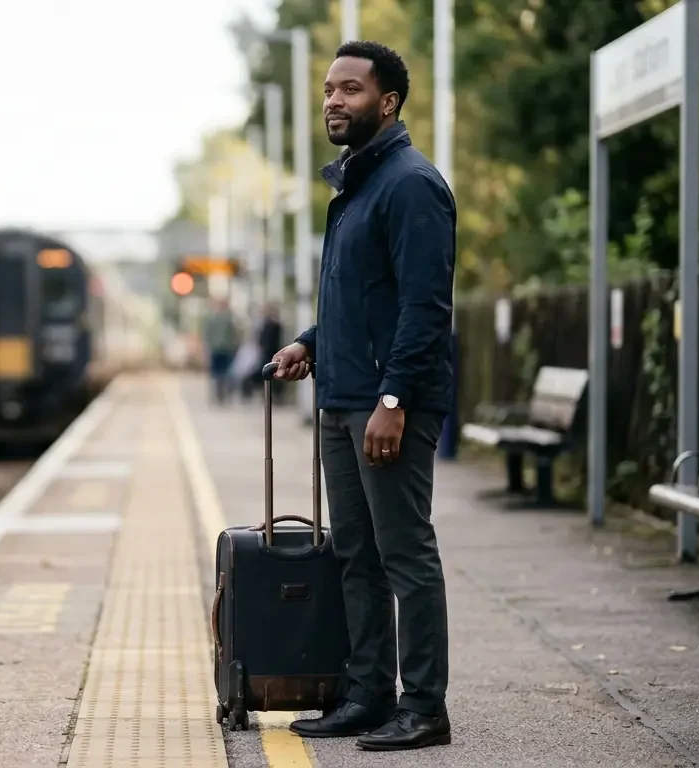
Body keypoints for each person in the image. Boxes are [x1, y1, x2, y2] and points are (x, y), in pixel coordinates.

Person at [270, 40, 455, 751]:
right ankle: (368, 692)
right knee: (357, 552)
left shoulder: (410, 183)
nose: (332, 101)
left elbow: (423, 305)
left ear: (388, 102)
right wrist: (311, 343)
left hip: (385, 403)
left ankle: (426, 706)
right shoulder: (355, 187)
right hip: (344, 394)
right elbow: (358, 295)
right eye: (327, 89)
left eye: (349, 89)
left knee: (405, 554)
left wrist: (395, 399)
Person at [202, 297, 240, 404]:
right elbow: (207, 337)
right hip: (219, 350)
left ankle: (221, 394)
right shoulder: (224, 319)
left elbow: (234, 335)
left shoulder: (224, 319)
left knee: (221, 374)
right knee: (220, 374)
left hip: (224, 349)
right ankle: (220, 394)